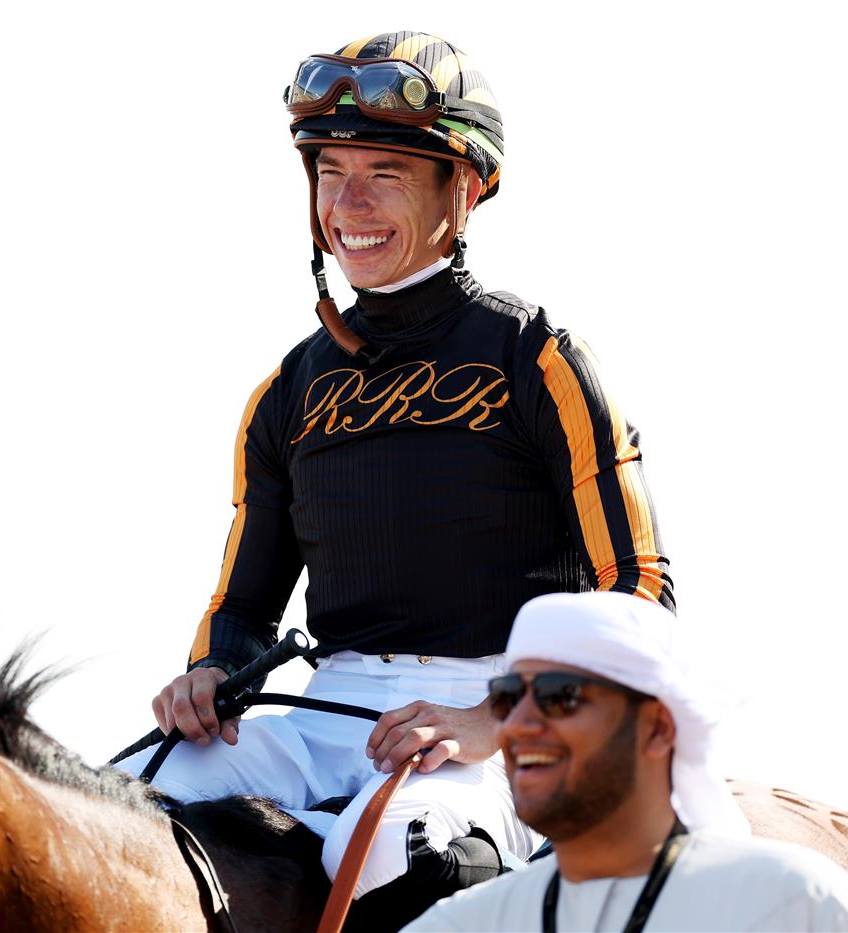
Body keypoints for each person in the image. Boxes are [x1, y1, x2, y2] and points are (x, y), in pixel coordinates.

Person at [118, 31, 673, 920]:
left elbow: (639, 589)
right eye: (330, 171)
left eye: (386, 172)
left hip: (502, 722)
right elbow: (242, 612)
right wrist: (206, 678)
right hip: (321, 714)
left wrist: (501, 719)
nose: (350, 203)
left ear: (466, 187)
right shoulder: (285, 391)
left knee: (391, 850)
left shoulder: (541, 359)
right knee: (110, 807)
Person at [404, 592, 848, 931]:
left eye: (562, 695)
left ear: (659, 728)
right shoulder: (458, 925)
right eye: (509, 697)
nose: (520, 724)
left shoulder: (796, 905)